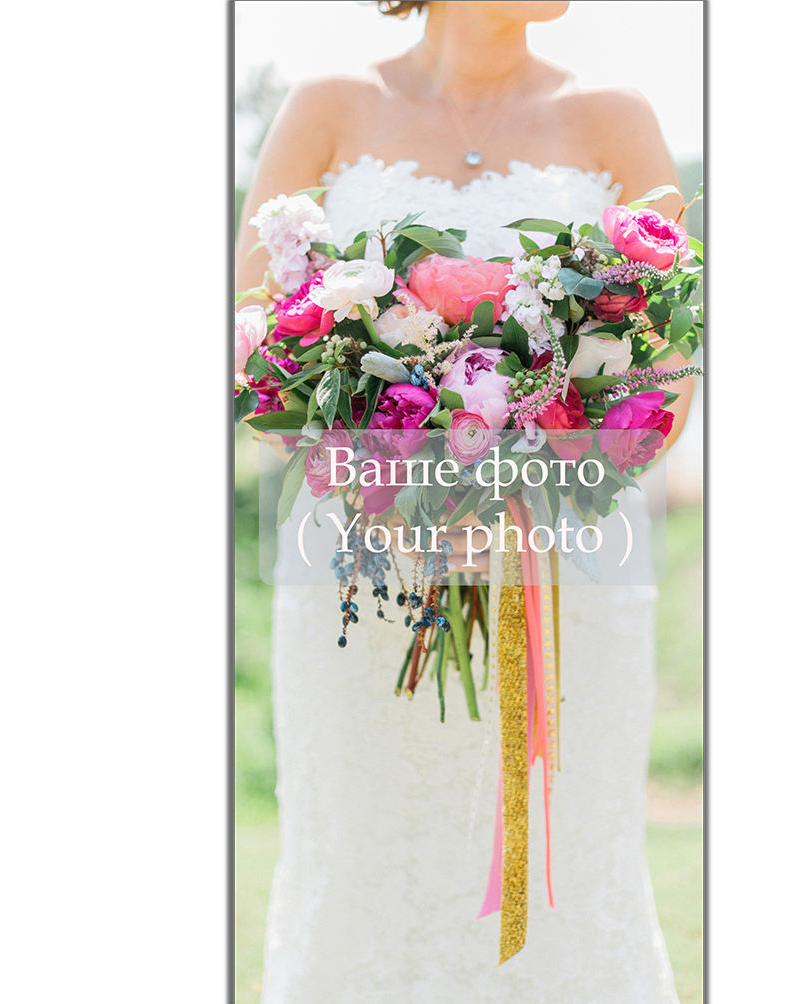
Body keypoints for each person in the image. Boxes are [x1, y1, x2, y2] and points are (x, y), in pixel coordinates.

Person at [235, 3, 696, 1000]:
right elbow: (254, 352)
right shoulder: (326, 108)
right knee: (366, 849)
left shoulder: (616, 116)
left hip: (562, 574)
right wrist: (397, 493)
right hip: (365, 575)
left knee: (567, 850)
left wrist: (521, 488)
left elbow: (665, 379)